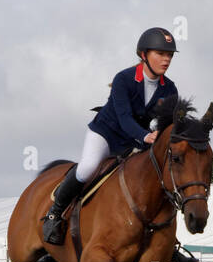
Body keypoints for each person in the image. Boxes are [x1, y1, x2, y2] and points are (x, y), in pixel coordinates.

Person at [42, 27, 181, 245]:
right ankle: (54, 213)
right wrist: (146, 136)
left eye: (169, 55)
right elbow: (125, 118)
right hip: (105, 134)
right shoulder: (124, 79)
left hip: (134, 142)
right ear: (144, 55)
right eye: (161, 54)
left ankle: (169, 241)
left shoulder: (170, 89)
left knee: (157, 177)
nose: (166, 60)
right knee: (88, 167)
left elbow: (165, 123)